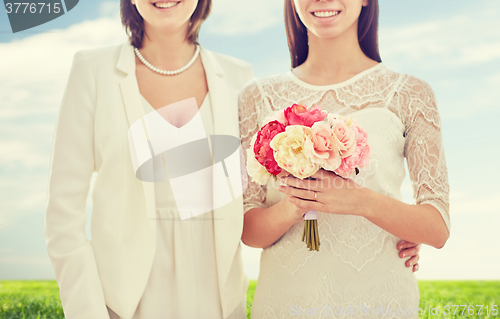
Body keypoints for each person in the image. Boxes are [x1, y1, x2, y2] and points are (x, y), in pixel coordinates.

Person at [239, 0, 450, 317]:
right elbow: (246, 228)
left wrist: (361, 201)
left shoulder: (411, 93)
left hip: (378, 296)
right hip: (286, 299)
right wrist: (294, 205)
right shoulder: (256, 96)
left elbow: (437, 228)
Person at [44, 0, 253, 318]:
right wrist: (88, 311)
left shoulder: (240, 77)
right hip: (124, 303)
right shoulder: (93, 69)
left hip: (218, 302)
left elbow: (256, 197)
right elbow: (63, 214)